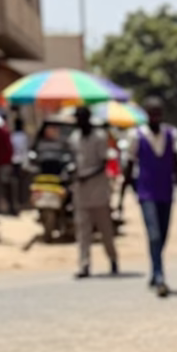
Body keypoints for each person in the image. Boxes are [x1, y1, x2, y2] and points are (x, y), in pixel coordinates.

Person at [120, 95, 177, 298]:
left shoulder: (172, 135)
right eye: (152, 113)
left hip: (166, 191)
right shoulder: (136, 136)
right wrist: (121, 196)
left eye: (158, 113)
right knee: (154, 234)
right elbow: (129, 167)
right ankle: (160, 277)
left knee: (163, 235)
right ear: (146, 115)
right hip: (146, 192)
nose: (156, 117)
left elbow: (176, 165)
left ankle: (154, 270)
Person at [70, 106, 118, 279]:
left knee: (105, 230)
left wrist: (87, 175)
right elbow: (74, 159)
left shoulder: (99, 137)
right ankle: (84, 265)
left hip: (98, 191)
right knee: (83, 231)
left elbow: (104, 162)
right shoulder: (74, 138)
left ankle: (112, 259)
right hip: (81, 193)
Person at [10, 114, 30, 212]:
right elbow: (25, 150)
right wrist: (26, 164)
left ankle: (17, 202)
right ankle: (22, 201)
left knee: (16, 184)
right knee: (22, 184)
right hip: (21, 162)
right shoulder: (23, 136)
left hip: (14, 162)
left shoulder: (12, 136)